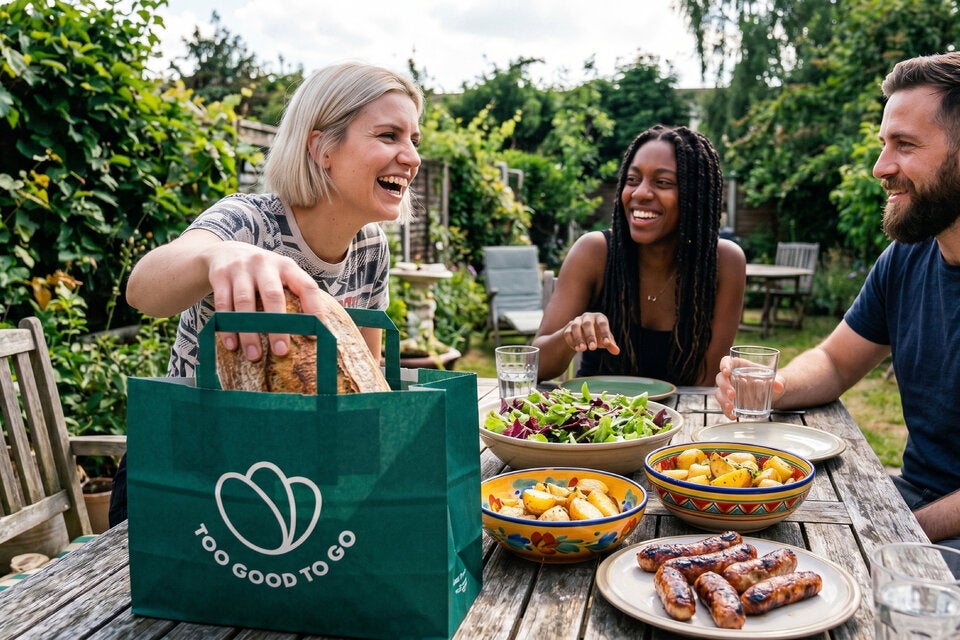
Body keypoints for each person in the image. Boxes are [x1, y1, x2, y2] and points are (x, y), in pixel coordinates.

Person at [110, 62, 424, 526]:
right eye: (388, 136)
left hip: (292, 478)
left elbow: (365, 389)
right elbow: (142, 290)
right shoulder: (247, 221)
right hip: (185, 471)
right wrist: (216, 256)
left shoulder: (371, 248)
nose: (412, 157)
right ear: (322, 148)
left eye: (414, 140)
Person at [714, 52, 960, 559]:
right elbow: (834, 361)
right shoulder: (907, 258)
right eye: (884, 144)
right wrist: (775, 386)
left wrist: (895, 535)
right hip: (912, 498)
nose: (880, 167)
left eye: (905, 145)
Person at [532, 124, 746, 386]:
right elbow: (535, 367)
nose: (640, 193)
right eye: (632, 180)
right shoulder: (594, 252)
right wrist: (570, 333)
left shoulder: (724, 263)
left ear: (695, 195)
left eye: (662, 182)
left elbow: (707, 383)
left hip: (681, 410)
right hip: (593, 408)